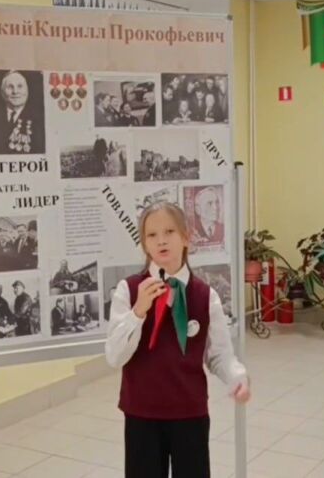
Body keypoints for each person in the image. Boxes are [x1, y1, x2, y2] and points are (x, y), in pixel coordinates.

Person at [106, 201, 249, 477]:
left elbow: (219, 354)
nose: (161, 240)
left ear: (186, 237)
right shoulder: (129, 290)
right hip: (142, 412)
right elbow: (114, 356)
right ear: (144, 244)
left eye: (169, 231)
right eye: (152, 235)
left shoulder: (205, 295)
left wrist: (237, 378)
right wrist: (138, 312)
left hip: (189, 411)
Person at [0, 70, 45, 154]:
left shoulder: (40, 118)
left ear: (27, 90)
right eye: (10, 87)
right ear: (2, 92)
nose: (15, 91)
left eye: (20, 86)